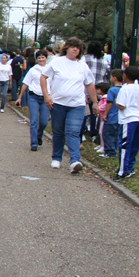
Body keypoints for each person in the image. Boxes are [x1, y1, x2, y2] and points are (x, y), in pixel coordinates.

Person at [40, 37, 98, 174]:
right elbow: (43, 77)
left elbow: (89, 84)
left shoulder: (82, 66)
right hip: (58, 103)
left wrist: (95, 101)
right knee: (58, 131)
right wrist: (46, 95)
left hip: (77, 104)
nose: (75, 49)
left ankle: (75, 160)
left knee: (73, 131)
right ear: (67, 48)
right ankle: (56, 157)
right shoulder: (57, 62)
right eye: (72, 46)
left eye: (78, 48)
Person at [15, 50, 50, 151]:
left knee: (44, 121)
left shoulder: (50, 70)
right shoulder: (33, 70)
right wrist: (20, 97)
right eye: (39, 58)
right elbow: (25, 83)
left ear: (46, 58)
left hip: (45, 98)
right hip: (34, 97)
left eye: (43, 57)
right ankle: (34, 143)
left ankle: (39, 135)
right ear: (36, 59)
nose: (41, 59)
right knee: (34, 121)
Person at [114, 66, 139, 180]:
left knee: (125, 145)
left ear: (125, 76)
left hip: (128, 119)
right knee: (135, 144)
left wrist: (116, 102)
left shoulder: (124, 89)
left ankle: (122, 171)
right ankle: (130, 167)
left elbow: (121, 105)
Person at [83, 40, 110, 142]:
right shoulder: (104, 61)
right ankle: (94, 133)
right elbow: (107, 75)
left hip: (86, 89)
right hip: (99, 89)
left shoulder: (85, 59)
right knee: (96, 112)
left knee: (84, 112)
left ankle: (83, 131)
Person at [99, 69, 123, 159]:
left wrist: (105, 114)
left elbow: (109, 103)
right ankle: (114, 150)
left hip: (111, 116)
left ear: (114, 78)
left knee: (107, 134)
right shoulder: (123, 89)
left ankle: (109, 152)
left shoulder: (112, 90)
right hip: (119, 117)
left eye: (111, 77)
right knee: (116, 135)